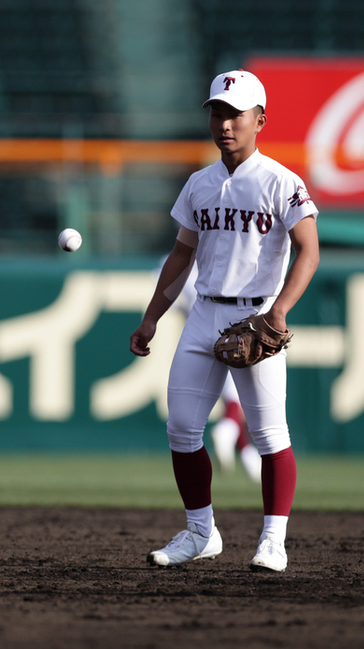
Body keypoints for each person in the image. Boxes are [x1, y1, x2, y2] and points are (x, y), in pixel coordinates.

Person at [130, 70, 320, 572]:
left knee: (270, 435)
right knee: (182, 430)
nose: (225, 123)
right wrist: (152, 318)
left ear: (260, 119)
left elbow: (309, 252)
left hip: (256, 315)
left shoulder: (282, 181)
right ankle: (200, 531)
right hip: (205, 312)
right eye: (217, 112)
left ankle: (273, 541)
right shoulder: (199, 183)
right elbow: (180, 257)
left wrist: (277, 313)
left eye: (235, 113)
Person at [163, 255, 262, 482]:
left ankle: (247, 454)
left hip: (195, 333)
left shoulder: (168, 261)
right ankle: (230, 433)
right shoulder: (221, 254)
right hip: (233, 330)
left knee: (230, 402)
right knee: (238, 402)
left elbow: (170, 299)